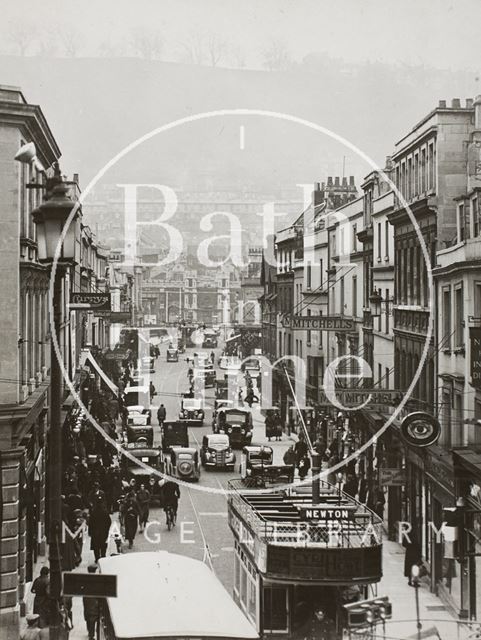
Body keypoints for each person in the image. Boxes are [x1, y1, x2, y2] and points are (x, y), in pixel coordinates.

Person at [83, 564, 100, 640]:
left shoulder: (85, 579)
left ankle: (90, 631)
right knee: (93, 617)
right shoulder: (96, 579)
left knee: (88, 615)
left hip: (86, 599)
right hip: (93, 600)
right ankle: (91, 634)